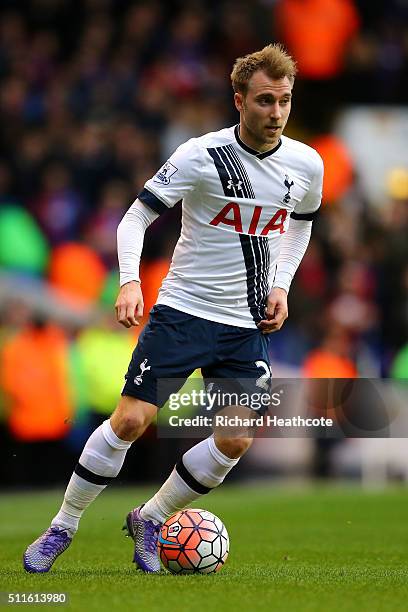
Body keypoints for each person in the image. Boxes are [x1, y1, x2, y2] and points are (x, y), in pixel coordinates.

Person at [23, 43, 323, 574]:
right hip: (183, 311)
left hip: (244, 322)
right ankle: (61, 527)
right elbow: (134, 219)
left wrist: (281, 284)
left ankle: (153, 516)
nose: (276, 113)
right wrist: (131, 281)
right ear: (238, 100)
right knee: (132, 420)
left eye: (284, 101)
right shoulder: (200, 156)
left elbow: (300, 223)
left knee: (234, 437)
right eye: (264, 101)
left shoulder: (306, 163)